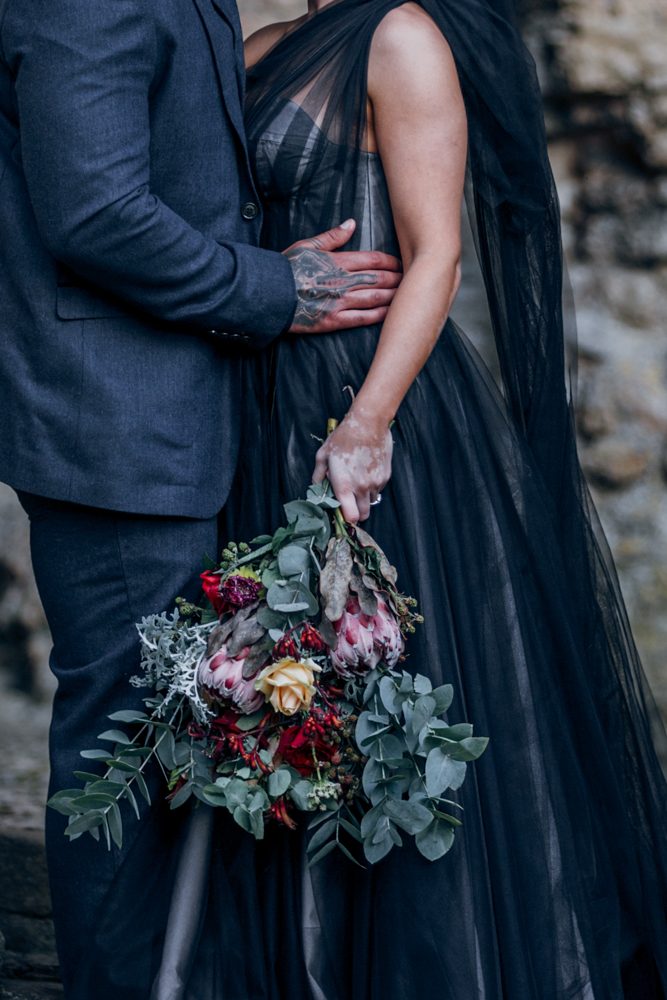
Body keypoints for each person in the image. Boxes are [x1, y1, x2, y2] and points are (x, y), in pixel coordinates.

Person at [34, 0, 667, 997]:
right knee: (268, 698)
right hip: (250, 399)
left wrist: (368, 421)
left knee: (380, 692)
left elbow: (434, 260)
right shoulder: (258, 44)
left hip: (362, 406)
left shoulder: (401, 39)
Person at [0, 0, 403, 992]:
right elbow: (94, 211)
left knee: (191, 743)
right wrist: (275, 290)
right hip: (117, 426)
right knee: (126, 751)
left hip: (185, 417)